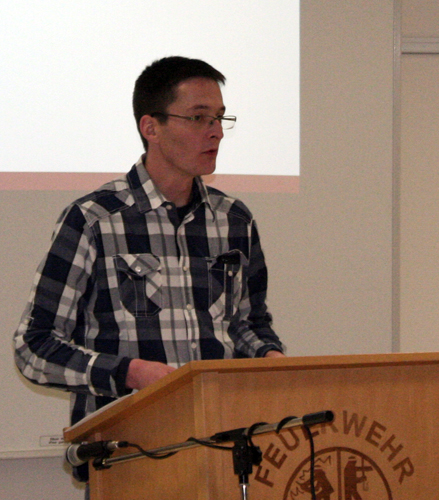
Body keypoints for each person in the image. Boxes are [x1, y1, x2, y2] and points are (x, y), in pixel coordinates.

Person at [13, 56, 285, 483]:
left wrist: (271, 357)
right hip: (128, 456)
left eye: (219, 117)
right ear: (150, 127)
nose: (215, 131)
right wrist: (129, 373)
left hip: (221, 451)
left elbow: (247, 325)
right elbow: (34, 347)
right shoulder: (94, 220)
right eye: (198, 117)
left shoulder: (234, 220)